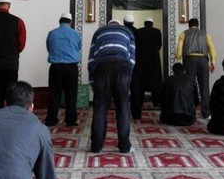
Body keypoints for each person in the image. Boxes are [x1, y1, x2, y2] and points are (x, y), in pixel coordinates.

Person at [88, 19, 136, 153]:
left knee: (100, 108)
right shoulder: (128, 32)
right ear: (119, 24)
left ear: (108, 25)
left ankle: (96, 146)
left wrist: (92, 80)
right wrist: (128, 77)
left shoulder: (98, 32)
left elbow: (91, 58)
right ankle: (125, 146)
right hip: (122, 68)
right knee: (123, 108)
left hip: (102, 68)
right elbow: (132, 58)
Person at [45, 12, 82, 127]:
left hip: (56, 67)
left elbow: (49, 47)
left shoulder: (52, 33)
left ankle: (51, 119)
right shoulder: (76, 34)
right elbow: (78, 48)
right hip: (71, 67)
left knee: (54, 94)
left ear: (59, 21)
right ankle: (70, 120)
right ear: (71, 22)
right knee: (71, 94)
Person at [176, 18, 217, 119]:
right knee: (204, 86)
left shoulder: (184, 34)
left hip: (189, 60)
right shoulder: (205, 34)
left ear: (189, 25)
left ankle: (189, 110)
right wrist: (213, 62)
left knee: (189, 85)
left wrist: (179, 60)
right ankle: (206, 113)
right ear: (198, 25)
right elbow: (211, 48)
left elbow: (179, 50)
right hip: (203, 60)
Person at [134, 17, 163, 114]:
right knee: (155, 82)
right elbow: (159, 45)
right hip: (154, 60)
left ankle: (140, 102)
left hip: (142, 60)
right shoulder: (157, 31)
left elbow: (137, 45)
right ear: (152, 23)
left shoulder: (139, 31)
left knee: (141, 82)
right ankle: (156, 102)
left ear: (144, 23)